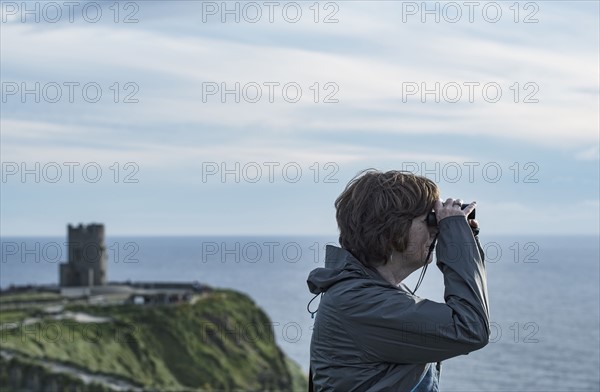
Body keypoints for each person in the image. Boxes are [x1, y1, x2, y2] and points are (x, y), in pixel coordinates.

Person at [307, 169, 489, 391]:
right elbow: (470, 328)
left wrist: (463, 236)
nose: (436, 231)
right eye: (428, 220)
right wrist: (456, 238)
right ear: (393, 229)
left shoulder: (372, 292)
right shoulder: (359, 303)